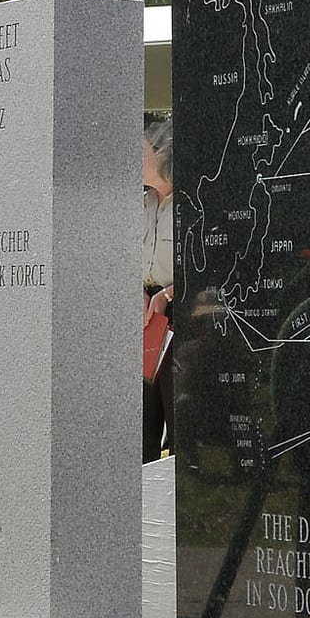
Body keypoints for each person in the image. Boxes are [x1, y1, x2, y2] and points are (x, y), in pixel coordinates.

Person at [141, 117, 176, 460]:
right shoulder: (141, 203)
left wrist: (166, 296)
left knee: (176, 410)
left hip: (178, 316)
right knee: (140, 422)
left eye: (144, 151)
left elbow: (203, 260)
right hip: (143, 318)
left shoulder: (191, 203)